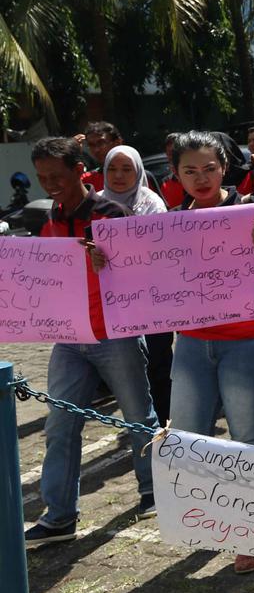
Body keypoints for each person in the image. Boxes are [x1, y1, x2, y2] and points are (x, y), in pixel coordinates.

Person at [148, 131, 254, 575]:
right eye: (190, 171)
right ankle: (212, 518)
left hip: (249, 339)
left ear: (224, 168)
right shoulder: (170, 223)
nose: (201, 178)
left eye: (209, 168)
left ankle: (252, 532)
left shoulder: (253, 210)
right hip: (191, 343)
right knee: (188, 437)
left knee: (248, 438)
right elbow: (146, 275)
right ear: (176, 175)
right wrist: (106, 263)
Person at [23, 137, 161, 548]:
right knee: (59, 425)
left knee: (139, 416)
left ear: (80, 171)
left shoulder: (111, 213)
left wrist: (108, 262)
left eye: (57, 176)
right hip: (69, 339)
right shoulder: (48, 218)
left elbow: (142, 271)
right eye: (43, 177)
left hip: (115, 334)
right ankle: (59, 516)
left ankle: (154, 491)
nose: (50, 184)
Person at [101, 145, 174, 425]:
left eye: (126, 169)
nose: (119, 175)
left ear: (138, 171)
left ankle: (165, 424)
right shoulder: (95, 204)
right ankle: (141, 423)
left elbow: (160, 247)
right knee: (129, 368)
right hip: (114, 303)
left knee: (158, 363)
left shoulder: (152, 204)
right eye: (112, 169)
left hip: (153, 300)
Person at [80, 121, 124, 189]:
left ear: (117, 143)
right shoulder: (87, 181)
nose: (96, 150)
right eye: (91, 145)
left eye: (101, 143)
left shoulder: (137, 173)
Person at [159, 133, 186, 208]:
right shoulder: (165, 183)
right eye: (170, 153)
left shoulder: (201, 179)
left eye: (177, 152)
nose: (174, 157)